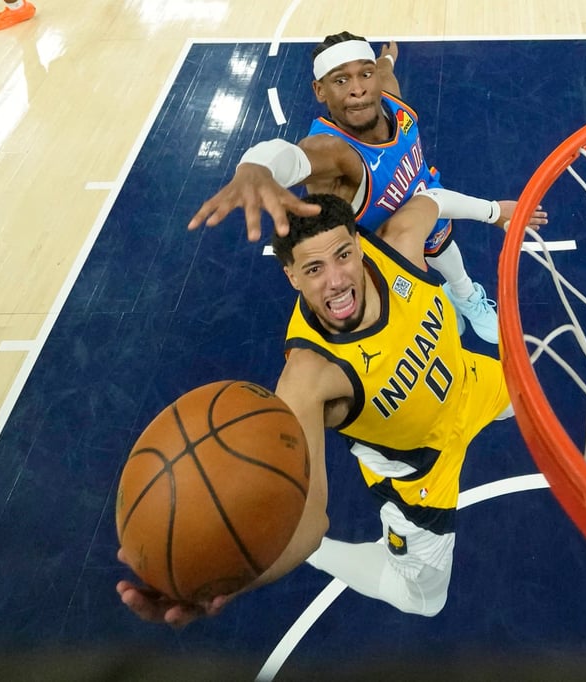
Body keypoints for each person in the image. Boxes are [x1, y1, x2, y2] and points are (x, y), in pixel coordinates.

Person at [118, 189, 546, 625]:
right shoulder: (309, 379)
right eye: (314, 268)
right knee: (424, 600)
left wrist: (497, 213)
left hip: (471, 383)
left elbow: (433, 199)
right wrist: (231, 577)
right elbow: (307, 523)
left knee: (537, 395)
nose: (337, 280)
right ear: (292, 277)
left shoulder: (399, 245)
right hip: (419, 475)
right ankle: (331, 558)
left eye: (343, 255)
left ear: (359, 245)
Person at [188, 31, 504, 344]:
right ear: (319, 90)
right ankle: (437, 305)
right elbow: (293, 158)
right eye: (340, 80)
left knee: (444, 250)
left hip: (427, 204)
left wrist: (388, 56)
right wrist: (256, 166)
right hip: (383, 249)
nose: (357, 90)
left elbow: (384, 68)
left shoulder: (389, 94)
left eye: (364, 74)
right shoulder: (335, 152)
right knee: (412, 315)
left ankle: (464, 295)